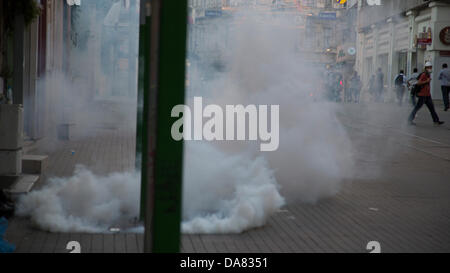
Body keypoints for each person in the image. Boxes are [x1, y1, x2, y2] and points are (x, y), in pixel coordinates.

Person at [408, 62, 444, 126]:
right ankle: (409, 120)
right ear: (426, 68)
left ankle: (436, 121)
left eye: (431, 67)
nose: (431, 68)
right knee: (417, 108)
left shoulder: (428, 74)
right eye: (430, 67)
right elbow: (419, 83)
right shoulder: (424, 74)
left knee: (432, 108)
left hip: (427, 95)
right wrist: (426, 81)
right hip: (422, 95)